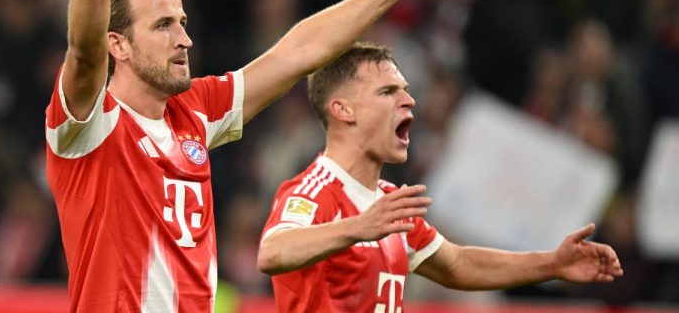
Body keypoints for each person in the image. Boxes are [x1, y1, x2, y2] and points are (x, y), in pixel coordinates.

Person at [44, 0, 447, 313]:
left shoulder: (195, 112)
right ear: (118, 46)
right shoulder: (89, 123)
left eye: (182, 23)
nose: (185, 40)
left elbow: (298, 52)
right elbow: (84, 51)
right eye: (163, 26)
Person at [257, 42, 624, 312]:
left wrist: (553, 264)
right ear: (343, 110)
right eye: (388, 92)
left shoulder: (389, 203)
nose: (408, 101)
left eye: (406, 90)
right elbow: (273, 251)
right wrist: (358, 226)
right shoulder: (314, 190)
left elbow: (457, 264)